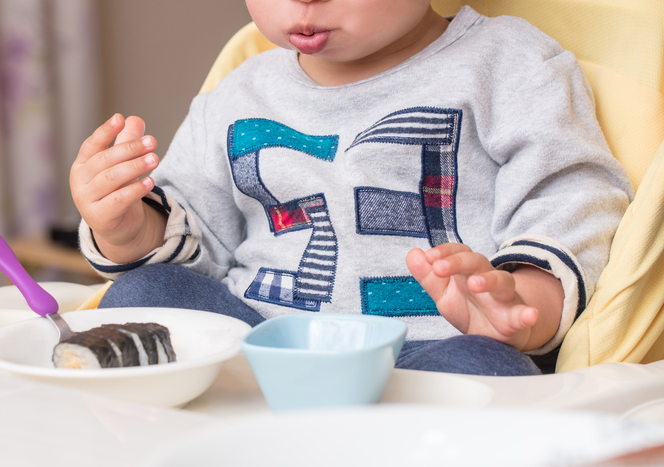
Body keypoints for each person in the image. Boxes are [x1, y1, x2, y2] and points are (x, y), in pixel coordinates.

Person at [70, 0, 633, 376]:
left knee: (489, 368)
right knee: (145, 297)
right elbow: (198, 239)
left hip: (423, 356)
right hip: (257, 348)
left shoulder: (506, 62)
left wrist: (523, 300)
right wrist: (125, 227)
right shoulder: (240, 90)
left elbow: (569, 195)